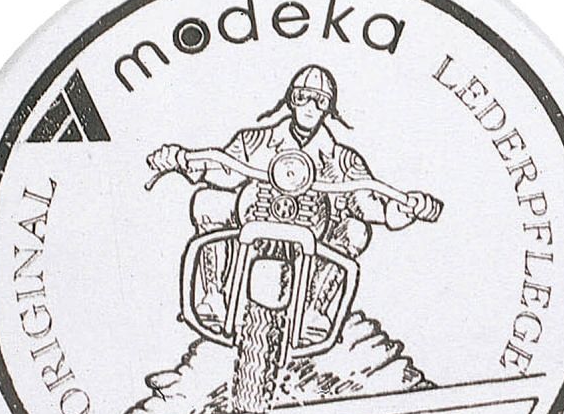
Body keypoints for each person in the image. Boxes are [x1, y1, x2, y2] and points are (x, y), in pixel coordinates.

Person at [147, 65, 441, 336]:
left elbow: (370, 203)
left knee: (356, 230)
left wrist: (406, 208)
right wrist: (181, 160)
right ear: (291, 99)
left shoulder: (341, 159)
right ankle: (213, 297)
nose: (310, 106)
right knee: (207, 201)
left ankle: (315, 310)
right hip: (252, 224)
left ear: (329, 108)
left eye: (320, 101)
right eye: (303, 97)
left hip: (314, 238)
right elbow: (223, 169)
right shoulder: (254, 141)